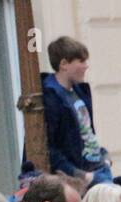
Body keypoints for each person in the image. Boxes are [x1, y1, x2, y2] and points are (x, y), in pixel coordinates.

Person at [42, 36, 112, 186]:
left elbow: (86, 133)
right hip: (83, 175)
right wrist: (79, 175)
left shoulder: (79, 92)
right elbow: (49, 147)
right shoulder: (51, 97)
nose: (86, 66)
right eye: (81, 61)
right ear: (64, 64)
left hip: (97, 167)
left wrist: (103, 155)